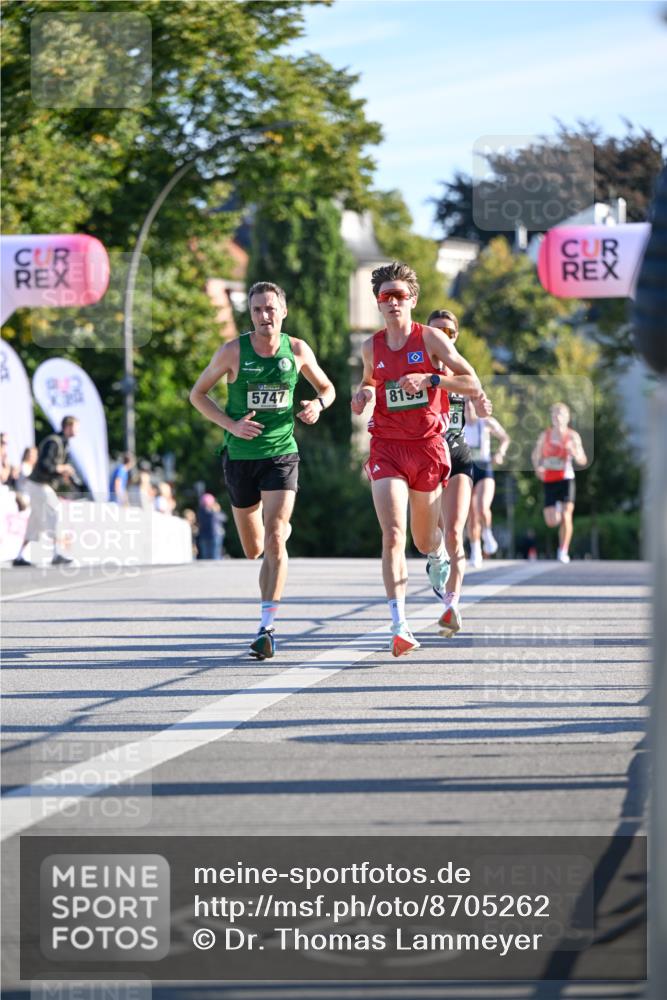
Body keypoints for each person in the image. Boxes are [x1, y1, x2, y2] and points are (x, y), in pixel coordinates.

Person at [190, 280, 335, 659]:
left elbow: (328, 388)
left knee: (274, 538)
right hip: (240, 457)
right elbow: (197, 394)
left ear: (283, 311)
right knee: (255, 548)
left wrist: (317, 406)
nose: (264, 315)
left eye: (270, 308)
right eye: (257, 310)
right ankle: (276, 529)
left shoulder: (298, 350)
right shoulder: (232, 352)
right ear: (250, 314)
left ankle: (267, 628)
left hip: (282, 454)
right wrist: (231, 425)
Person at [351, 261, 485, 656]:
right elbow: (369, 383)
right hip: (387, 446)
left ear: (412, 299)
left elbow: (473, 382)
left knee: (425, 539)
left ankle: (438, 555)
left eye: (399, 295)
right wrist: (362, 395)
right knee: (392, 534)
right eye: (384, 296)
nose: (392, 302)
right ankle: (400, 624)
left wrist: (431, 379)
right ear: (378, 303)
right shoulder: (369, 346)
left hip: (427, 447)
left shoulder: (431, 340)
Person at [425, 309, 493, 637]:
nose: (443, 336)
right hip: (424, 459)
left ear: (455, 336)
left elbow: (479, 401)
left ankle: (451, 605)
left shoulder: (460, 370)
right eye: (437, 330)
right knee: (432, 536)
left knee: (455, 532)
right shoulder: (414, 368)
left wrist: (482, 406)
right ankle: (436, 558)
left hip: (457, 454)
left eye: (449, 332)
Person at [12, 416, 79, 566]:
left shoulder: (63, 444)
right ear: (67, 427)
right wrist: (62, 469)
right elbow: (45, 465)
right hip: (38, 484)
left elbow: (55, 469)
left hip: (39, 485)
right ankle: (56, 553)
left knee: (34, 522)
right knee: (55, 511)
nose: (77, 431)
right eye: (75, 427)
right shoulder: (53, 442)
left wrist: (66, 476)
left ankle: (19, 556)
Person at [532, 402, 587, 563]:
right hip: (549, 479)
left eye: (560, 414)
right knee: (551, 521)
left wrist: (574, 452)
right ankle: (556, 507)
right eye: (554, 414)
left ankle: (563, 550)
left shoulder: (572, 436)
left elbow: (582, 460)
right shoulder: (545, 435)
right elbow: (536, 455)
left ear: (567, 418)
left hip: (566, 478)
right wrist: (538, 468)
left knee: (566, 515)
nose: (557, 417)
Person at [464, 408, 510, 568]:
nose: (469, 407)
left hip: (484, 467)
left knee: (482, 507)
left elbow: (505, 438)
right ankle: (476, 550)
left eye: (471, 403)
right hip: (466, 468)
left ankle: (487, 532)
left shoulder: (487, 422)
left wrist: (500, 453)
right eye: (465, 403)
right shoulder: (458, 423)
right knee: (471, 514)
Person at [197, 492, 227, 559]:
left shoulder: (200, 512)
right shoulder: (213, 512)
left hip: (204, 535)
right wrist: (218, 511)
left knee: (206, 555)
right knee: (215, 555)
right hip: (215, 535)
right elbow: (224, 518)